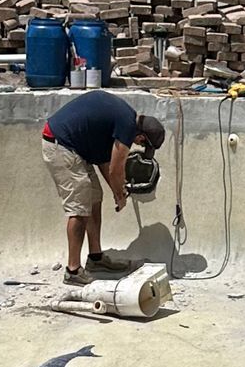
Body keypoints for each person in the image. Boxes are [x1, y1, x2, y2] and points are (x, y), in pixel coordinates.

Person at [41, 92, 166, 283]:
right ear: (141, 136)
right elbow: (116, 170)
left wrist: (118, 191)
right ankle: (73, 271)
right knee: (79, 207)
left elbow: (104, 162)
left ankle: (96, 258)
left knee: (94, 197)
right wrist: (120, 195)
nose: (138, 145)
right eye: (142, 144)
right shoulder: (126, 127)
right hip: (61, 144)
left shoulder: (123, 118)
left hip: (73, 146)